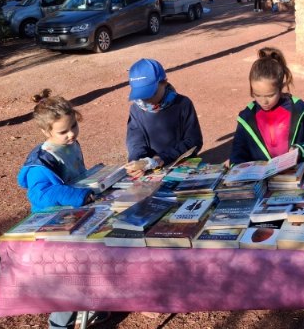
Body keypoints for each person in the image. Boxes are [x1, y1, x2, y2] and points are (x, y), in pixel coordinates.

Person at [17, 89, 110, 329]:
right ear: (45, 132)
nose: (71, 135)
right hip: (52, 224)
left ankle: (94, 306)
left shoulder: (70, 144)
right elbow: (41, 193)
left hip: (75, 214)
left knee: (94, 258)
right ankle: (59, 323)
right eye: (63, 131)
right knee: (68, 276)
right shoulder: (42, 162)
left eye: (74, 127)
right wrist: (80, 195)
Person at [229, 47, 304, 165]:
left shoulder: (300, 110)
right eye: (257, 95)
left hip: (294, 177)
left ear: (280, 87)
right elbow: (238, 152)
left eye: (270, 95)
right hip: (261, 180)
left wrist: (300, 150)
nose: (264, 101)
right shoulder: (247, 116)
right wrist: (236, 169)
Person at [125, 58, 203, 178]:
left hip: (182, 167)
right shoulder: (136, 109)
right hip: (151, 171)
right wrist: (138, 161)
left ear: (164, 83)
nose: (147, 99)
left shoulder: (183, 104)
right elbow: (135, 141)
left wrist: (162, 158)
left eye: (151, 93)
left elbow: (193, 141)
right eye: (141, 95)